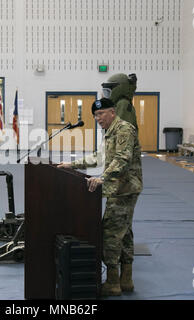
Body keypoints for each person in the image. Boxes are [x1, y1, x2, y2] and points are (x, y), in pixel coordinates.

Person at [58, 98, 143, 296]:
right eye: (95, 115)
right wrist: (72, 165)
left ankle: (113, 283)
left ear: (112, 112)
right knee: (124, 232)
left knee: (111, 234)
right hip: (119, 189)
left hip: (124, 189)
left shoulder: (123, 129)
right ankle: (126, 280)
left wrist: (102, 177)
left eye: (101, 114)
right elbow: (99, 156)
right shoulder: (109, 132)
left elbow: (123, 159)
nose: (98, 118)